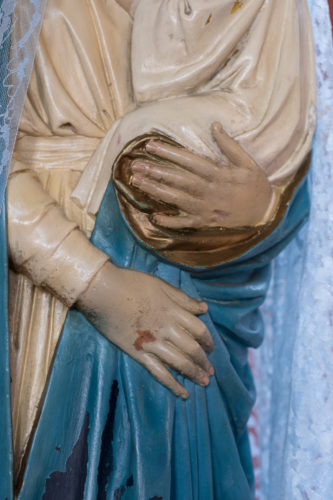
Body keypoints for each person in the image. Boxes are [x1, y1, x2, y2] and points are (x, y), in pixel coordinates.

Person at [6, 0, 315, 498]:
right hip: (51, 281)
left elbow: (296, 149)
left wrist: (260, 206)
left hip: (201, 303)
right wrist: (96, 284)